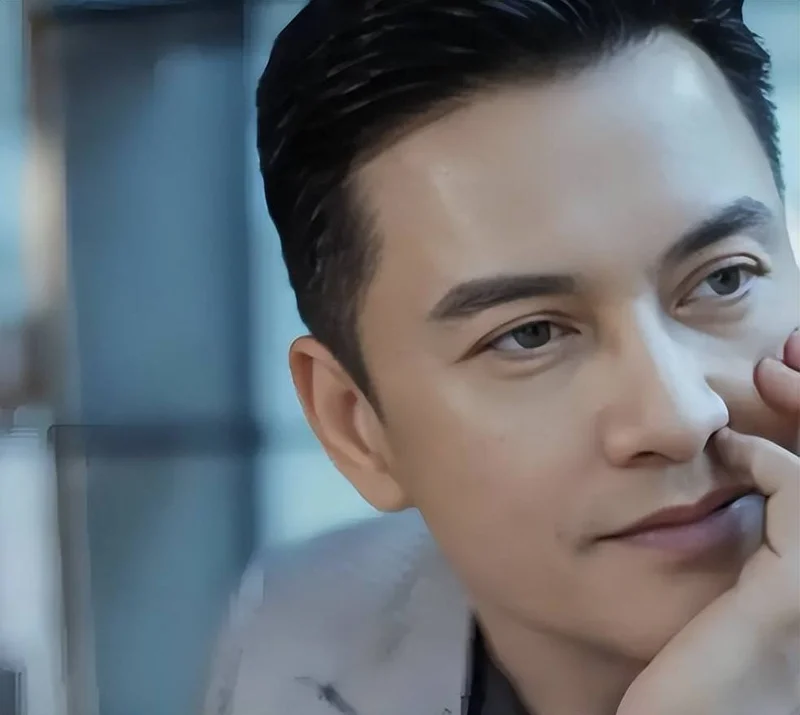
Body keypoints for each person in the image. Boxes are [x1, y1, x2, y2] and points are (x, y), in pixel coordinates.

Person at [203, 1, 800, 713]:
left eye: (724, 279)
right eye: (530, 334)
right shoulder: (296, 632)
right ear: (355, 425)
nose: (680, 416)